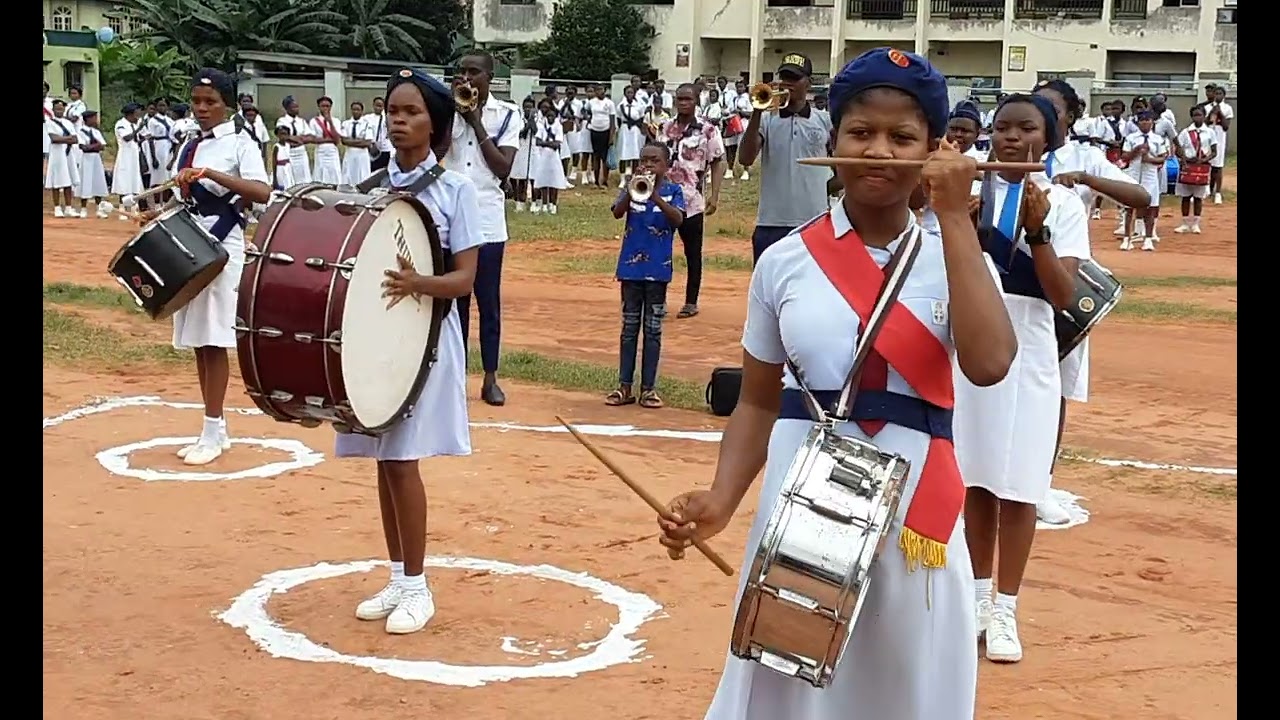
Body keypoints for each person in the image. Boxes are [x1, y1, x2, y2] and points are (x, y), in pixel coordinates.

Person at [656, 48, 1017, 720]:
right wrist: (722, 498)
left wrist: (958, 216)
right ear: (833, 140)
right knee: (788, 688)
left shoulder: (956, 256)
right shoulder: (786, 261)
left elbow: (990, 363)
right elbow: (761, 401)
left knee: (903, 684)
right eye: (861, 132)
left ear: (934, 150)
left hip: (916, 510)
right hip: (802, 501)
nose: (878, 150)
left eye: (902, 137)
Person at [344, 68, 482, 635]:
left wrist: (417, 284)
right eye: (392, 111)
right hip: (375, 337)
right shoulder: (373, 185)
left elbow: (466, 279)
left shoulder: (456, 191)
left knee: (401, 460)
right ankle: (399, 578)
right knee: (382, 462)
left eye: (412, 113)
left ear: (436, 124)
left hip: (423, 339)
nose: (398, 121)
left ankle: (418, 587)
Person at [956, 93, 1091, 664]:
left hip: (1033, 346)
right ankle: (979, 602)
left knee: (1021, 485)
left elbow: (1065, 295)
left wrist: (1038, 233)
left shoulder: (1062, 204)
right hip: (974, 345)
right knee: (977, 479)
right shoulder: (967, 199)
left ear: (1048, 137)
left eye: (1026, 128)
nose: (1011, 137)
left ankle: (1007, 609)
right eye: (1003, 127)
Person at [1030, 79, 1148, 525]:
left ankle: (1039, 481)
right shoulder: (1008, 147)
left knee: (1054, 386)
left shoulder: (1084, 155)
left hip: (1065, 281)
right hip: (1009, 282)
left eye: (1050, 108)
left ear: (1071, 118)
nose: (1038, 114)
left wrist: (1084, 178)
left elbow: (1141, 196)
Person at [152, 69, 272, 466]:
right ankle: (216, 431)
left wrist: (213, 174)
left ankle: (211, 425)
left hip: (223, 244)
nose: (202, 109)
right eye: (197, 101)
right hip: (189, 242)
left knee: (215, 338)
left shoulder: (240, 143)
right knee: (198, 339)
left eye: (211, 102)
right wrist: (160, 212)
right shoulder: (190, 144)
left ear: (228, 104)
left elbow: (262, 192)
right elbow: (187, 197)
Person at [438, 50, 521, 407]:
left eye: (475, 73)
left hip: (487, 220)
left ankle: (489, 379)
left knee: (488, 302)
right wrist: (452, 115)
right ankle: (453, 377)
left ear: (490, 77)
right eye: (463, 73)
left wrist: (475, 121)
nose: (468, 79)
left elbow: (503, 168)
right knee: (453, 304)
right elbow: (437, 151)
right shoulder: (448, 112)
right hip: (449, 219)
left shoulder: (508, 115)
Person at [605, 142, 685, 409]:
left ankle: (649, 389)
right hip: (630, 269)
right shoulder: (631, 186)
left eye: (655, 160)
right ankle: (624, 386)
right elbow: (617, 213)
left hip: (658, 271)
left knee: (653, 331)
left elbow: (678, 220)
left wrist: (655, 197)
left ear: (667, 165)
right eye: (645, 160)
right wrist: (632, 189)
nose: (649, 165)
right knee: (629, 329)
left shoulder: (674, 191)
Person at [735, 53, 834, 264]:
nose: (788, 84)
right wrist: (757, 113)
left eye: (795, 79)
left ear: (808, 83)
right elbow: (745, 159)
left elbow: (843, 168)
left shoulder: (824, 121)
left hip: (814, 221)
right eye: (785, 77)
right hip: (771, 221)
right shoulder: (768, 120)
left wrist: (819, 189)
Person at [660, 84, 725, 320]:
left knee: (693, 254)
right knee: (660, 251)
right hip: (664, 200)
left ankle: (690, 301)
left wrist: (714, 195)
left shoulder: (708, 130)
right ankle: (659, 299)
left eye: (688, 99)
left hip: (692, 202)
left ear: (697, 100)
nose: (683, 103)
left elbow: (718, 160)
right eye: (680, 99)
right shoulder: (665, 127)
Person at [1120, 111, 1167, 251]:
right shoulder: (1131, 138)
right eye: (1142, 120)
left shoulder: (1158, 139)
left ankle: (1148, 238)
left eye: (1148, 120)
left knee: (1151, 207)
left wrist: (1150, 159)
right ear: (1138, 122)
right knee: (1129, 207)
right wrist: (1136, 151)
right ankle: (1127, 238)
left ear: (1152, 122)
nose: (1145, 123)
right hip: (1133, 174)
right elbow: (1124, 156)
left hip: (1150, 175)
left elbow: (1163, 158)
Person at [1173, 104, 1217, 234]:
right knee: (1185, 196)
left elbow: (1214, 151)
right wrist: (1185, 158)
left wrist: (1204, 160)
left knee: (1198, 196)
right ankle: (1185, 223)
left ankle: (1196, 223)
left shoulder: (1210, 132)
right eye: (1195, 115)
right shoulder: (1185, 133)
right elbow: (1177, 150)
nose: (1197, 117)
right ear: (1191, 116)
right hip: (1188, 165)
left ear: (1204, 116)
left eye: (1200, 115)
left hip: (1202, 166)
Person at [45, 99, 79, 218]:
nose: (59, 110)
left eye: (61, 108)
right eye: (57, 108)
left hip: (68, 154)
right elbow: (54, 139)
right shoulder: (50, 122)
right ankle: (57, 207)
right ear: (53, 110)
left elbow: (75, 139)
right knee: (56, 181)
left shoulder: (68, 123)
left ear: (64, 109)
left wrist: (63, 139)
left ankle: (69, 207)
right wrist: (67, 139)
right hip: (57, 155)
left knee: (68, 180)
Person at [75, 110, 110, 218]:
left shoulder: (96, 132)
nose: (96, 120)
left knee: (98, 181)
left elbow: (103, 146)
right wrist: (96, 145)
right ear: (88, 119)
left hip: (96, 158)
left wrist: (92, 146)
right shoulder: (80, 131)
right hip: (86, 159)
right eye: (94, 118)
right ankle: (83, 208)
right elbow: (83, 147)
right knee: (85, 181)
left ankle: (99, 208)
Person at [1203, 84, 1233, 205]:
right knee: (1206, 163)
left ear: (1224, 96)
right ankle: (1207, 189)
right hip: (1208, 136)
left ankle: (1218, 192)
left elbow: (1226, 126)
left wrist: (1219, 112)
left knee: (1218, 166)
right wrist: (1211, 113)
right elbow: (1204, 123)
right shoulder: (1207, 107)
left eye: (1220, 94)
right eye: (1216, 93)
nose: (1217, 96)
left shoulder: (1227, 108)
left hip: (1220, 138)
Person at [274, 95, 313, 186]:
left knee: (303, 178)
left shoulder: (302, 121)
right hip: (289, 153)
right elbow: (285, 137)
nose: (297, 109)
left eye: (297, 106)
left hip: (301, 154)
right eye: (294, 107)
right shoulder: (282, 121)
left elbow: (310, 136)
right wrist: (298, 139)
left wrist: (297, 140)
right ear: (287, 108)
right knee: (291, 178)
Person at [340, 100, 375, 186]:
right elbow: (344, 141)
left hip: (362, 155)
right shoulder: (346, 123)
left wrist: (351, 141)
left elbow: (367, 143)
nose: (356, 111)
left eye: (358, 109)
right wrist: (360, 141)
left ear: (362, 111)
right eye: (354, 109)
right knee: (348, 175)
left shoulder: (367, 124)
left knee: (362, 174)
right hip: (350, 153)